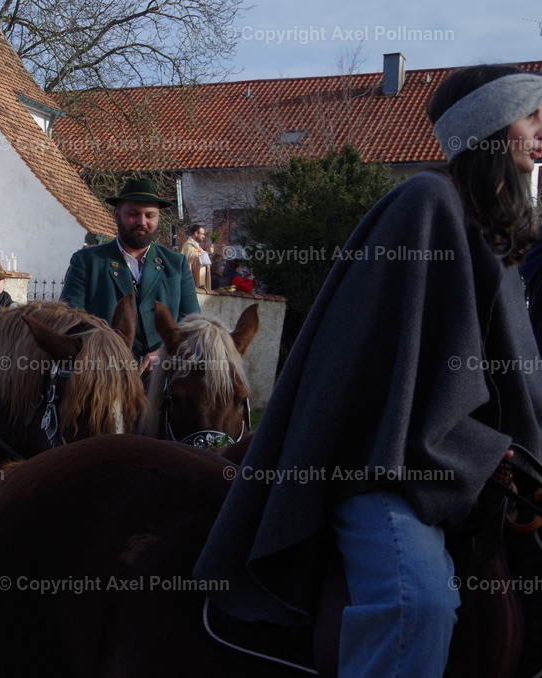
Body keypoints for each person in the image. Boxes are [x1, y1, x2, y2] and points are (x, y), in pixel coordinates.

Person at [194, 65, 542, 678]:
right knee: (418, 607)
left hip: (459, 467)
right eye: (531, 115)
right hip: (377, 465)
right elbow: (386, 383)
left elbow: (510, 380)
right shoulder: (426, 205)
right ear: (486, 128)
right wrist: (485, 446)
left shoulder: (496, 235)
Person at [60, 177, 200, 362]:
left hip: (161, 376)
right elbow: (70, 321)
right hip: (105, 373)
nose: (142, 222)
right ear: (117, 215)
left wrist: (161, 355)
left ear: (158, 218)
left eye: (150, 216)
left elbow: (193, 326)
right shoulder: (87, 261)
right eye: (133, 214)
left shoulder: (176, 264)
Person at [178, 223, 213, 289]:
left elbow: (204, 261)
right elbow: (192, 260)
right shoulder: (188, 246)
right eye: (202, 234)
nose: (204, 236)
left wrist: (206, 252)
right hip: (192, 281)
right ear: (196, 233)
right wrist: (205, 253)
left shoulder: (197, 247)